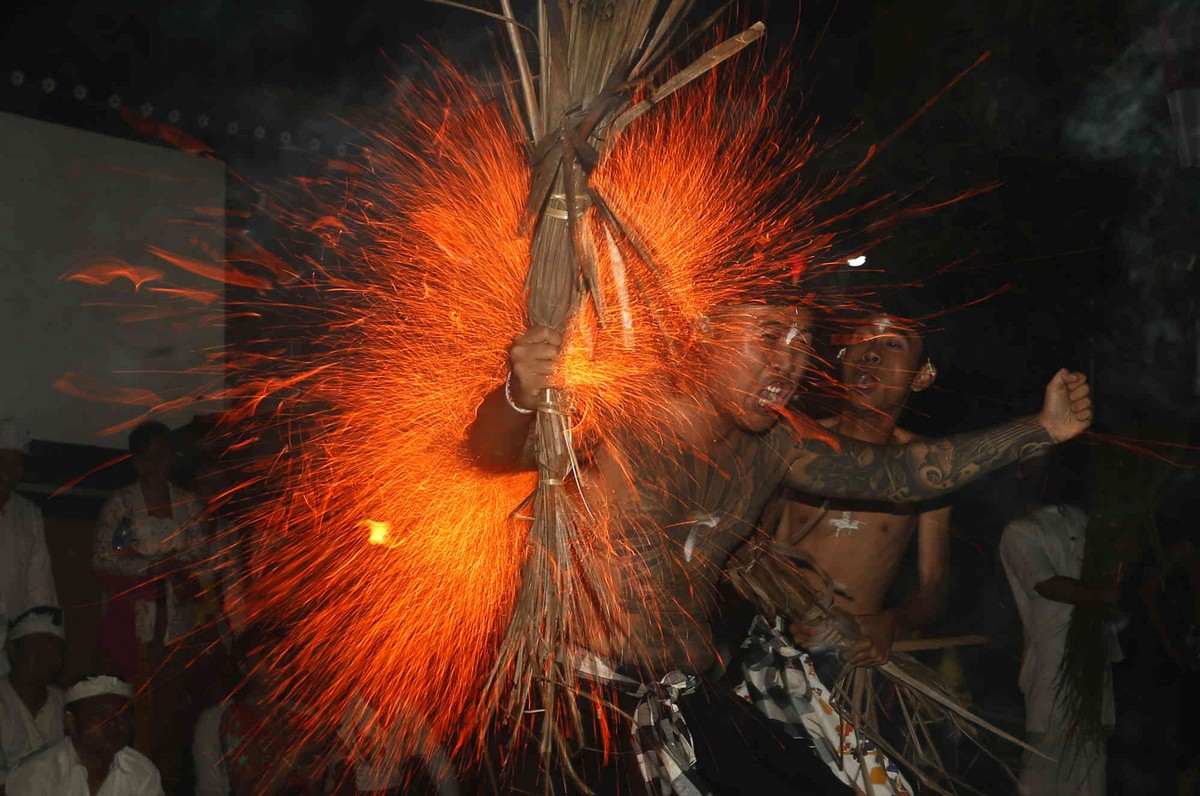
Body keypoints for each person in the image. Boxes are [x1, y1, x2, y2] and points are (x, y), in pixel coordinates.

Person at [466, 297, 1093, 793]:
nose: (789, 361)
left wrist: (1040, 429)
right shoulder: (625, 416)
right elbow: (488, 456)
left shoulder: (780, 443)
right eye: (767, 335)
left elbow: (900, 474)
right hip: (576, 705)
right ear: (707, 331)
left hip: (682, 692)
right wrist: (521, 392)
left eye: (801, 343)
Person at [734, 300, 950, 793]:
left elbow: (935, 588)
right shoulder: (790, 444)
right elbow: (748, 550)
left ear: (922, 375)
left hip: (856, 667)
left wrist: (889, 622)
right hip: (778, 652)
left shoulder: (933, 470)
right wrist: (787, 603)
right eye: (859, 344)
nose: (869, 355)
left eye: (890, 344)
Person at [92, 421, 204, 791]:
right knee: (131, 707)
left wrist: (182, 572)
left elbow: (203, 557)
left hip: (177, 624)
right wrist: (152, 568)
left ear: (172, 458)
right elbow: (102, 559)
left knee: (172, 711)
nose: (154, 463)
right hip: (134, 621)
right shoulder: (120, 503)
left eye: (162, 455)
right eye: (146, 456)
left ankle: (166, 781)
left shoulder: (188, 504)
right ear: (135, 460)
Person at [999, 451, 1117, 796]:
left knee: (1090, 773)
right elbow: (1046, 584)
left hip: (1092, 671)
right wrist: (1104, 596)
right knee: (1045, 772)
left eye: (1043, 464)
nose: (1037, 474)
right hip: (1052, 673)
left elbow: (1114, 560)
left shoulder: (1081, 521)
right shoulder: (1020, 532)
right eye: (1029, 467)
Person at [5, 675, 162, 795]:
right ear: (71, 722)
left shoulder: (141, 771)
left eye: (122, 716)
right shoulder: (37, 773)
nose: (114, 724)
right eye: (100, 715)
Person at [0, 419, 58, 678]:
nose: (6, 470)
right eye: (0, 460)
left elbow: (40, 587)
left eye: (15, 463)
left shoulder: (29, 513)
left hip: (11, 645)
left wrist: (38, 639)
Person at [0, 607, 66, 788]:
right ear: (13, 650)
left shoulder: (66, 704)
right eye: (38, 648)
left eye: (56, 649)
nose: (49, 657)